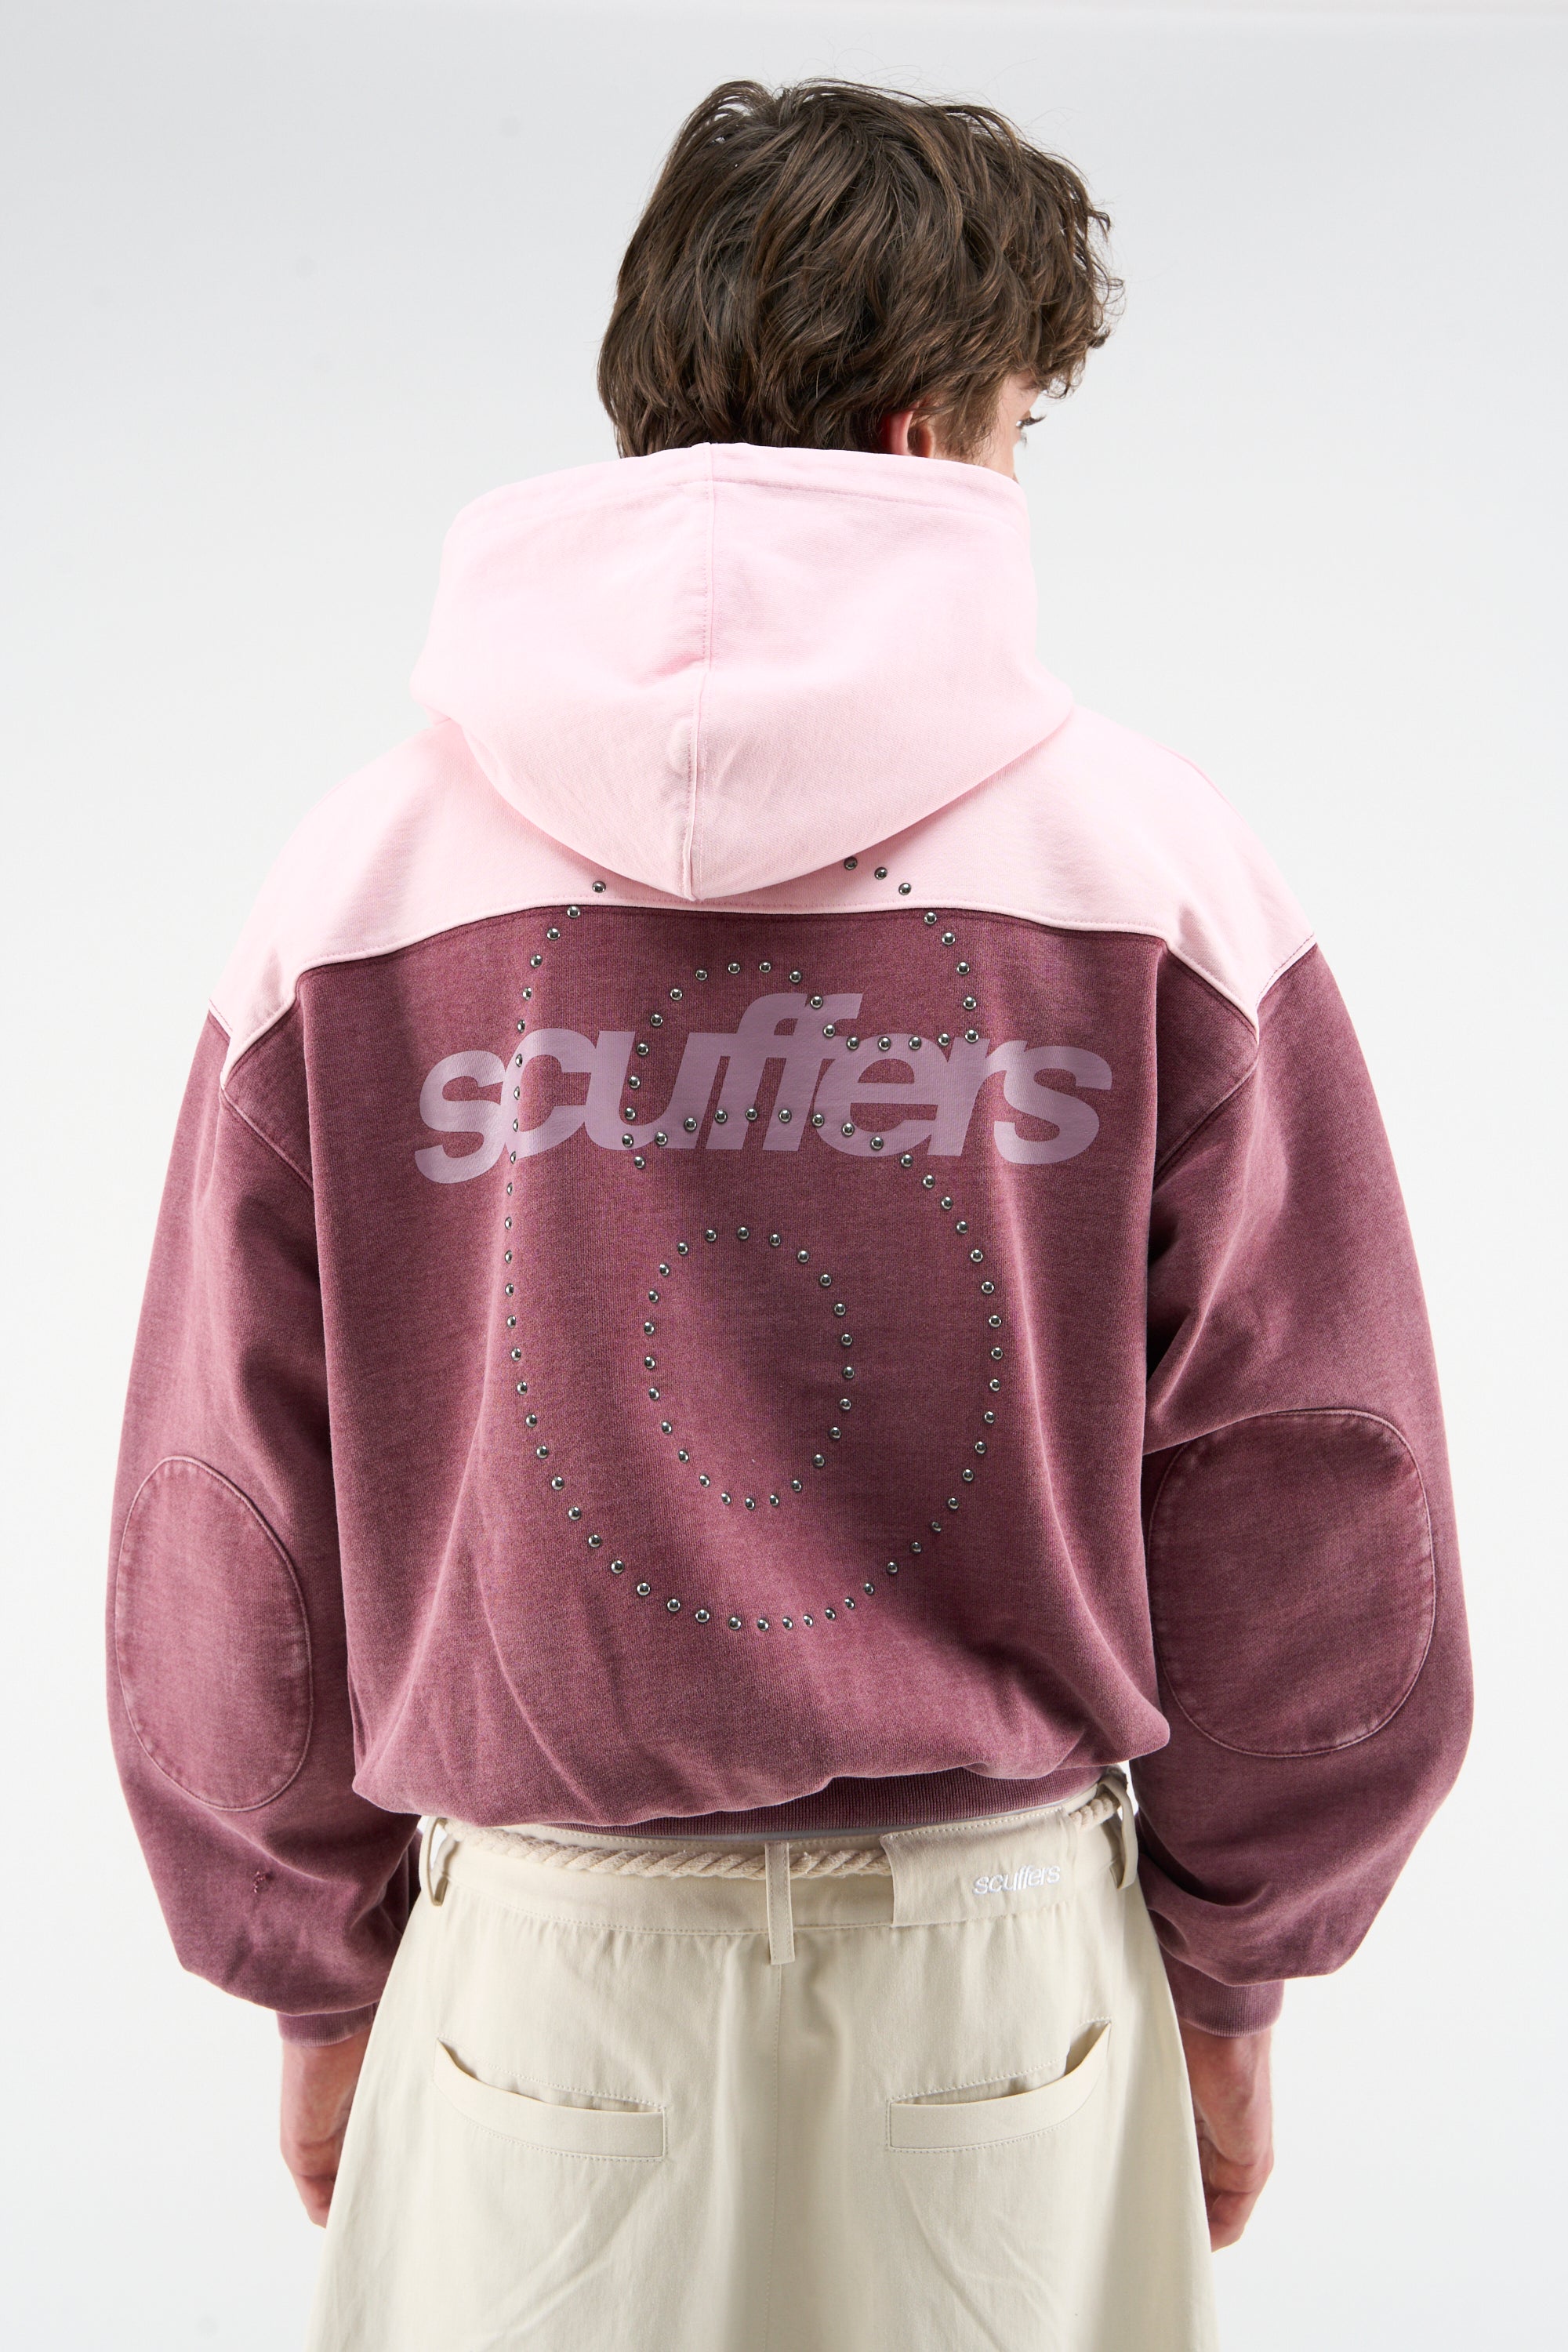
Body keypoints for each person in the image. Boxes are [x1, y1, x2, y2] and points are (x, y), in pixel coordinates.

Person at [108, 78, 1471, 2351]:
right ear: (938, 439)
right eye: (1027, 427)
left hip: (539, 1991)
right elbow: (1313, 1483)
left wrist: (312, 1979)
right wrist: (1240, 1976)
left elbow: (229, 1505)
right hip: (1002, 1986)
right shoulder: (1158, 876)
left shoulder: (354, 889)